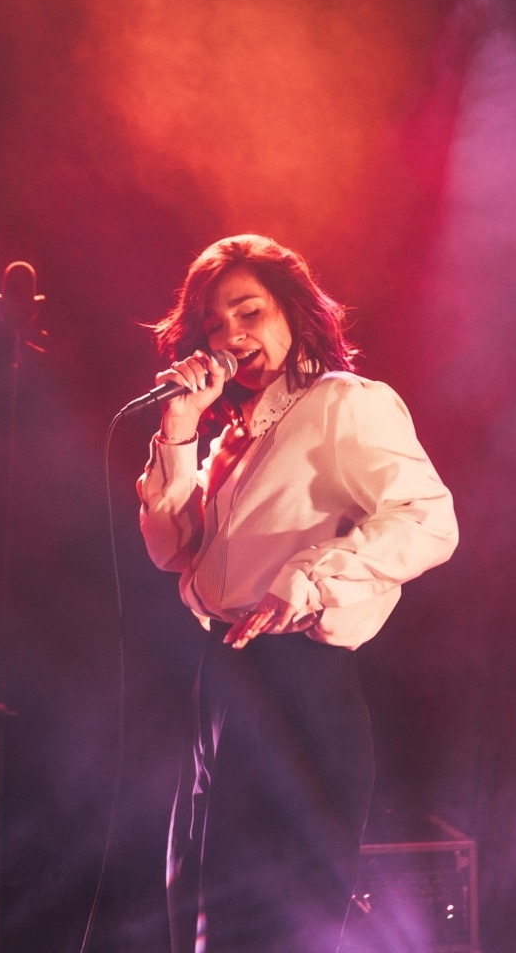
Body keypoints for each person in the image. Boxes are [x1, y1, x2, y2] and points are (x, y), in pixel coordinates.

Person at [136, 234, 458, 953]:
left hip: (297, 681)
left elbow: (427, 519)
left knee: (269, 925)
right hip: (223, 681)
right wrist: (179, 429)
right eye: (214, 324)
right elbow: (171, 550)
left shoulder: (342, 403)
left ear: (293, 310)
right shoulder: (235, 437)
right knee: (200, 917)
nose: (230, 335)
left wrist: (311, 577)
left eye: (248, 311)